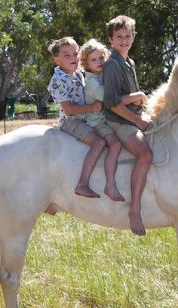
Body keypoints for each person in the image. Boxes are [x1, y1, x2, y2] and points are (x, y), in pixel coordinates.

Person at [102, 15, 153, 236]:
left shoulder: (129, 62)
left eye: (128, 35)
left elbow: (129, 98)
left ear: (134, 37)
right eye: (119, 37)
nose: (124, 40)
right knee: (145, 154)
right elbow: (112, 103)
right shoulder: (113, 65)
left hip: (133, 114)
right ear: (110, 40)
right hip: (119, 121)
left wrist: (140, 101)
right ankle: (134, 210)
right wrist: (138, 121)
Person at [47, 36, 106, 199]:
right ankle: (83, 183)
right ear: (56, 59)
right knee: (98, 142)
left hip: (86, 118)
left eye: (75, 53)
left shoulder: (78, 73)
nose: (73, 58)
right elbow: (69, 109)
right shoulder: (58, 80)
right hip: (71, 122)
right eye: (67, 55)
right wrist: (93, 107)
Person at [78, 39, 126, 202]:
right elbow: (112, 100)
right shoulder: (92, 82)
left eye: (101, 58)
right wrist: (136, 97)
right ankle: (110, 185)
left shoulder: (102, 76)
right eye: (93, 59)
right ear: (86, 63)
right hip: (97, 122)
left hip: (106, 118)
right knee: (115, 144)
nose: (99, 62)